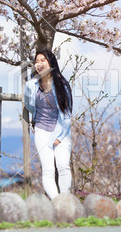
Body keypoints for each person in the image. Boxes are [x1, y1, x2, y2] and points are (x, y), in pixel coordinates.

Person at [23, 50, 73, 199]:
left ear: (51, 63)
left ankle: (65, 199)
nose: (39, 64)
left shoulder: (62, 85)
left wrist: (60, 136)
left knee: (63, 165)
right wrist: (38, 120)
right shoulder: (31, 85)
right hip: (42, 130)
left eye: (42, 60)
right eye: (37, 61)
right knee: (48, 169)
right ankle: (57, 201)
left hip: (61, 130)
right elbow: (30, 105)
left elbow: (67, 115)